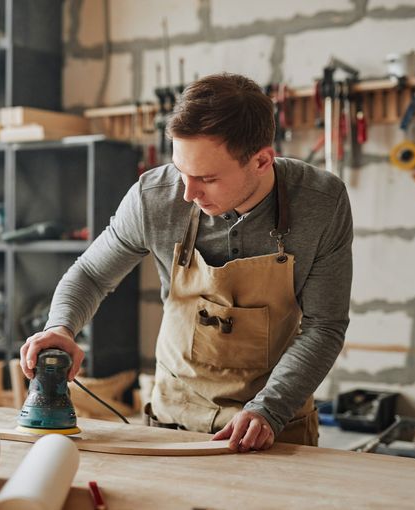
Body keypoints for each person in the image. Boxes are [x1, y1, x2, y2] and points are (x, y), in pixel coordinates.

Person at [20, 73, 353, 452]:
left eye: (207, 178)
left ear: (262, 160)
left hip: (272, 427)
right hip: (172, 421)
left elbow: (324, 326)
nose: (188, 193)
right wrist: (61, 326)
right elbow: (92, 273)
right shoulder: (154, 196)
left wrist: (269, 410)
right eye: (181, 171)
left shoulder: (321, 203)